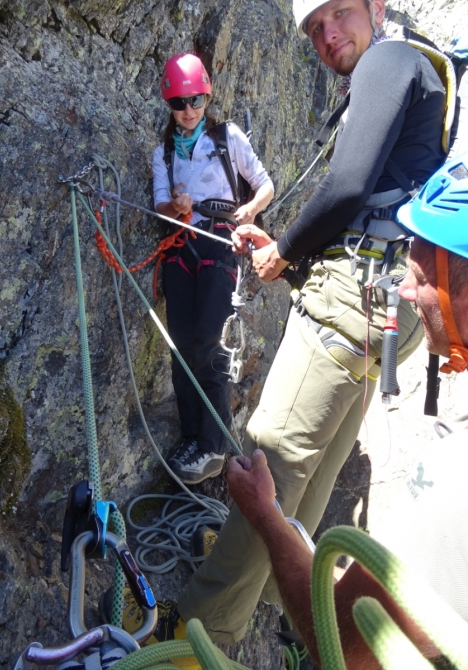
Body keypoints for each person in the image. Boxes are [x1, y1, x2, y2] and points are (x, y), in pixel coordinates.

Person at [175, 0, 448, 644]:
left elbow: (349, 184)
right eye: (314, 29)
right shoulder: (427, 72)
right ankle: (286, 593)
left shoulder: (390, 57)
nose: (327, 35)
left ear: (376, 7)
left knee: (273, 457)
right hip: (390, 305)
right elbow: (375, 201)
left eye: (339, 14)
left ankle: (198, 636)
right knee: (317, 458)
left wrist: (287, 252)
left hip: (354, 297)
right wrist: (290, 259)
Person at [225, 151, 468, 667]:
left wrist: (266, 518)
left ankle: (202, 624)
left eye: (419, 271)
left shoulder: (452, 483)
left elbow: (347, 642)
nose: (403, 289)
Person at [153, 53, 274, 485]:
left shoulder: (227, 138)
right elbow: (159, 204)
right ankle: (193, 439)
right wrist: (176, 206)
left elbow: (265, 185)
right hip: (181, 248)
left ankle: (214, 445)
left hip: (220, 246)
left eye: (197, 99)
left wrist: (248, 212)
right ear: (169, 104)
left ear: (207, 96)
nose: (189, 110)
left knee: (210, 341)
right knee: (182, 346)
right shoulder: (163, 153)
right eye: (180, 102)